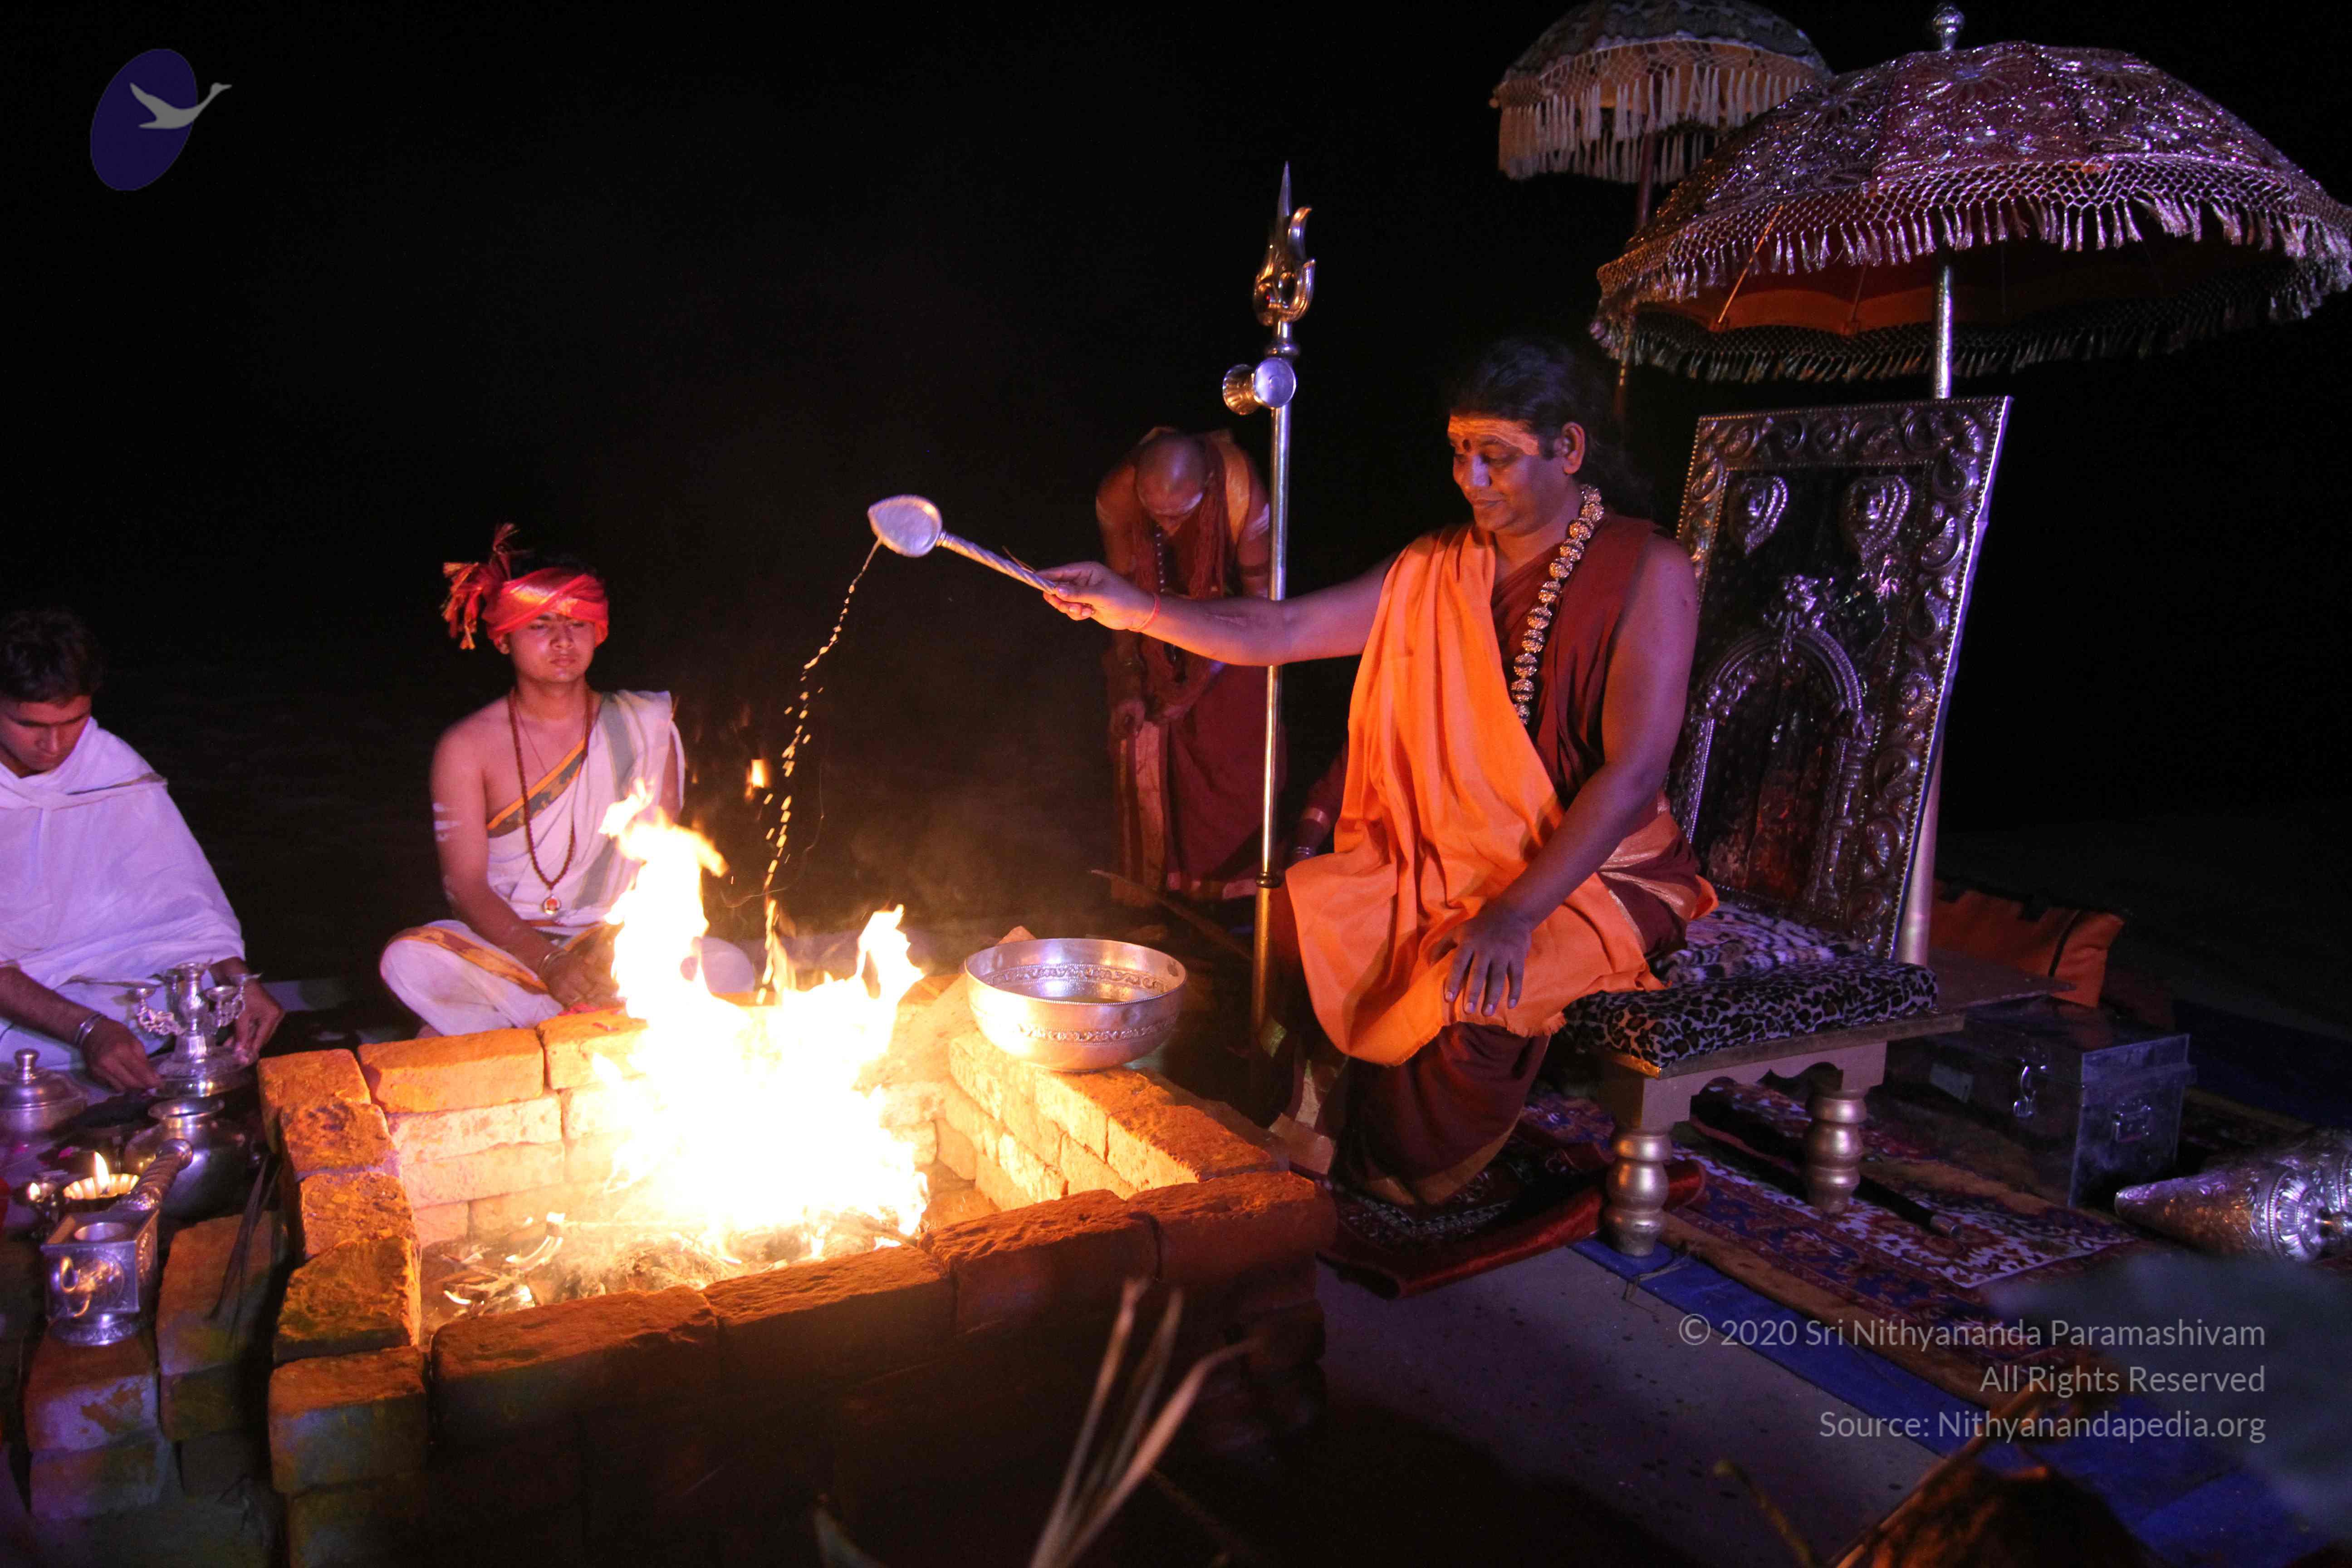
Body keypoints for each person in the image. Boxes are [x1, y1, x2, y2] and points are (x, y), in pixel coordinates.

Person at [1041, 338, 1715, 1205]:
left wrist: (1512, 914)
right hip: (1448, 857)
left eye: (1496, 455)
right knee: (1303, 913)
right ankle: (1321, 1135)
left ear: (1569, 449)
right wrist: (1133, 606)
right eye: (1459, 451)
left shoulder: (1645, 570)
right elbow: (1283, 631)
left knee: (1468, 995)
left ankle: (1391, 1168)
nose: (1470, 478)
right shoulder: (1434, 565)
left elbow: (1631, 774)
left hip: (1591, 870)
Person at [379, 528, 755, 1034]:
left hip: (616, 940)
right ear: (503, 637)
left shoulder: (643, 724)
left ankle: (546, 1022)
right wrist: (550, 963)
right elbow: (466, 887)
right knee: (408, 960)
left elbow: (659, 861)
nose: (562, 640)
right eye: (541, 624)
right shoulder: (466, 747)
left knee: (729, 967)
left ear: (598, 632)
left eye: (577, 623)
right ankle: (575, 1017)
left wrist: (617, 951)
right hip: (510, 950)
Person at [0, 609, 284, 1094]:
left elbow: (177, 903)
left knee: (189, 1002)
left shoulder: (108, 765)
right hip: (16, 999)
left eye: (73, 721)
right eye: (30, 725)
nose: (54, 745)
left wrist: (236, 982)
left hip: (98, 978)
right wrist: (87, 1028)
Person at [1095, 428, 1281, 904]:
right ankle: (1157, 894)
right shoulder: (1118, 497)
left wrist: (1199, 682)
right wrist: (1130, 676)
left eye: (1178, 514)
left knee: (1231, 748)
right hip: (1151, 626)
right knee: (1141, 729)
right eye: (1155, 512)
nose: (1166, 524)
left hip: (1233, 629)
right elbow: (1118, 595)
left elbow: (1264, 611)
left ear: (1205, 489)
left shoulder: (1240, 490)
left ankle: (1231, 899)